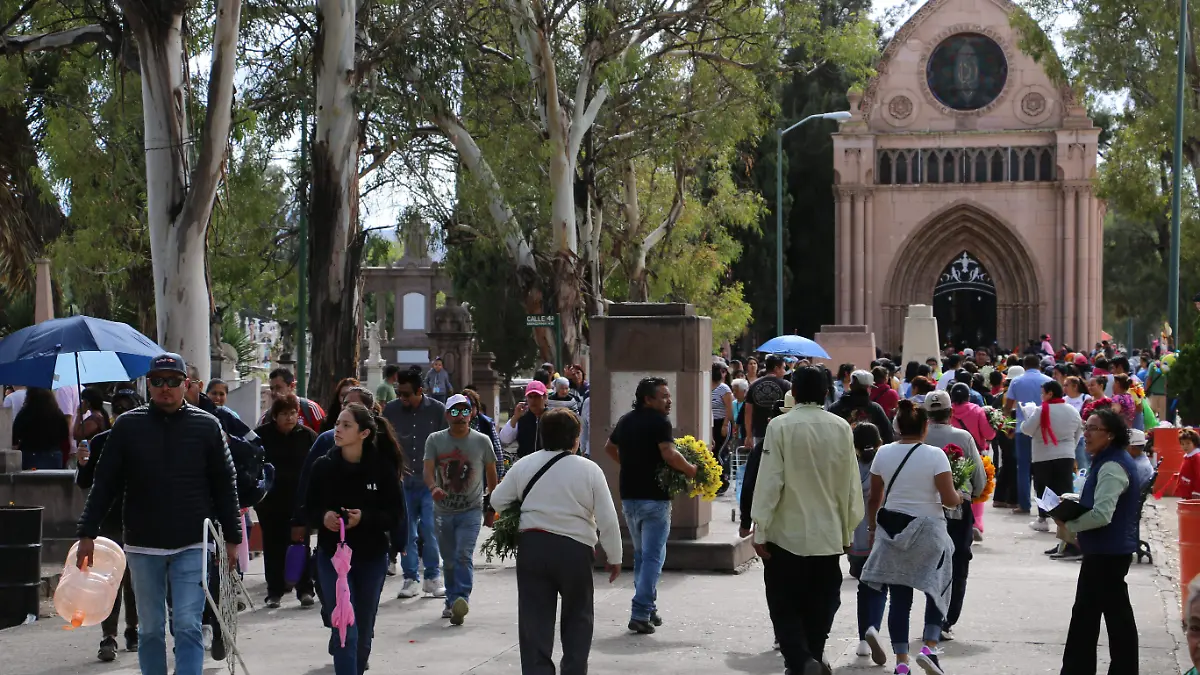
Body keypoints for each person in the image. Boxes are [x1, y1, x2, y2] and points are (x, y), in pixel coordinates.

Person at [74, 353, 242, 675]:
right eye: (158, 381)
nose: (166, 388)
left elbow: (225, 485)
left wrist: (233, 538)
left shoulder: (207, 426)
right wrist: (87, 534)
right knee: (150, 629)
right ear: (148, 384)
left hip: (193, 542)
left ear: (187, 385)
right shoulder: (127, 427)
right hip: (142, 544)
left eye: (174, 381)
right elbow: (104, 485)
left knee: (188, 625)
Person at [750, 366, 865, 675]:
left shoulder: (780, 427)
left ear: (794, 392)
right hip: (828, 533)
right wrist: (848, 527)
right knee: (822, 601)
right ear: (826, 393)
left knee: (784, 603)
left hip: (785, 534)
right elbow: (850, 483)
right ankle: (810, 656)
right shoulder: (841, 428)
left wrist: (759, 528)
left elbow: (770, 481)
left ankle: (801, 660)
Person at [491, 408, 621, 673]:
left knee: (534, 619)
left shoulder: (524, 464)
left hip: (533, 547)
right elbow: (607, 518)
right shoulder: (589, 469)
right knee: (578, 616)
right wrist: (615, 556)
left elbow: (497, 500)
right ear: (576, 438)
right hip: (575, 550)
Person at [860, 400, 961, 675]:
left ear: (897, 426)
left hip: (892, 530)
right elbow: (949, 499)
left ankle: (902, 663)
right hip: (929, 529)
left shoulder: (883, 454)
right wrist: (961, 495)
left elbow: (875, 498)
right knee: (937, 588)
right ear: (925, 427)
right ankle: (929, 647)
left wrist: (872, 528)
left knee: (899, 600)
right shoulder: (936, 455)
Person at [305, 403, 402, 675]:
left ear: (364, 433)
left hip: (371, 556)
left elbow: (395, 515)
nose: (338, 429)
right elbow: (307, 509)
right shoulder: (323, 467)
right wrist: (324, 517)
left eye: (346, 425)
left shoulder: (382, 469)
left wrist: (365, 518)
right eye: (337, 423)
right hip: (331, 557)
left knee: (364, 625)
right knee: (345, 625)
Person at [604, 377, 697, 634]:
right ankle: (641, 611)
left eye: (669, 396)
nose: (669, 401)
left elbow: (609, 448)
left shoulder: (626, 420)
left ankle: (648, 607)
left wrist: (630, 464)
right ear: (648, 399)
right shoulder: (659, 422)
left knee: (644, 555)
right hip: (654, 499)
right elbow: (669, 453)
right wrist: (690, 469)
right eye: (664, 396)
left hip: (629, 497)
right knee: (653, 557)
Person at [1059, 408, 1144, 675]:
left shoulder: (1112, 465)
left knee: (1095, 616)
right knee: (1103, 614)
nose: (1086, 434)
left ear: (1110, 435)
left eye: (1093, 428)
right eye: (1086, 427)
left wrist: (1069, 524)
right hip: (1107, 550)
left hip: (1108, 552)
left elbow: (1102, 514)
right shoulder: (1107, 461)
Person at [75, 387, 143, 661]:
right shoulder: (101, 441)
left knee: (135, 580)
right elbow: (85, 482)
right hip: (110, 520)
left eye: (128, 408)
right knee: (109, 580)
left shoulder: (146, 440)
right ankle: (109, 635)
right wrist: (82, 462)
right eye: (118, 409)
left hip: (140, 518)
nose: (122, 414)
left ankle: (133, 628)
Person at [424, 394, 498, 625]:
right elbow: (427, 470)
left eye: (465, 411)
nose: (460, 417)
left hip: (471, 509)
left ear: (472, 413)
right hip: (443, 510)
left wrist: (491, 505)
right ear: (447, 415)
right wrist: (433, 487)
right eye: (454, 412)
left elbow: (492, 474)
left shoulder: (482, 441)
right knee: (448, 559)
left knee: (463, 555)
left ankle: (461, 598)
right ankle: (451, 601)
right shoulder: (435, 440)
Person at [920, 390, 985, 641]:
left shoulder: (920, 439)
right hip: (958, 508)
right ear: (950, 412)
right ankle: (946, 619)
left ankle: (931, 617)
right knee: (957, 561)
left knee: (931, 562)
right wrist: (975, 493)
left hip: (925, 507)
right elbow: (978, 478)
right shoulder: (963, 437)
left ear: (927, 414)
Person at [382, 368, 447, 596]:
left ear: (421, 391)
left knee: (430, 529)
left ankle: (432, 576)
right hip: (402, 481)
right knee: (407, 531)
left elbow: (445, 443)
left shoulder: (437, 410)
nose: (403, 398)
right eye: (399, 393)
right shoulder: (390, 411)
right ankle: (410, 578)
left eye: (407, 394)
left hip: (430, 481)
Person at [255, 393, 318, 609]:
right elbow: (251, 464)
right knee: (273, 547)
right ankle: (275, 592)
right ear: (275, 416)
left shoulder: (308, 436)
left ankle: (305, 590)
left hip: (299, 502)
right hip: (270, 503)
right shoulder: (261, 436)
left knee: (301, 545)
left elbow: (316, 467)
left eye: (293, 413)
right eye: (284, 414)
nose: (289, 418)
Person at [848, 423, 888, 666]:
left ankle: (864, 639)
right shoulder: (883, 468)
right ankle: (872, 628)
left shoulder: (850, 468)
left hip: (856, 539)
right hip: (880, 535)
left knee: (863, 585)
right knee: (880, 586)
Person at [1021, 380, 1083, 534]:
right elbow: (1078, 432)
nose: (1041, 396)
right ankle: (1067, 520)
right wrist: (1070, 448)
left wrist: (1025, 420)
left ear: (1050, 393)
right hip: (1066, 454)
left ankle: (1043, 519)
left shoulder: (1041, 410)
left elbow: (1027, 429)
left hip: (1043, 455)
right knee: (1065, 488)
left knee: (1043, 488)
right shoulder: (1072, 410)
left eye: (1043, 393)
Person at [1005, 354, 1053, 515]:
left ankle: (1024, 504)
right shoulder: (1048, 380)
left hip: (1022, 429)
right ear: (1039, 365)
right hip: (1043, 429)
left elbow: (1007, 407)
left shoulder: (1016, 381)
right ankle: (1046, 507)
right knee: (1044, 467)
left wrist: (1007, 426)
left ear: (1024, 366)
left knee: (1023, 468)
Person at [829, 370, 895, 444]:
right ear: (868, 388)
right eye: (870, 387)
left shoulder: (835, 407)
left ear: (850, 386)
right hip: (870, 453)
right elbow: (888, 435)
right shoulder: (875, 408)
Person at [12, 386, 69, 469]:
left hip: (30, 453)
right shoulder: (57, 413)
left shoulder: (26, 412)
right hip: (53, 454)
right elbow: (64, 434)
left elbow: (15, 434)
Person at [501, 381, 550, 458]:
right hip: (525, 464)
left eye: (537, 396)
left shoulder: (552, 417)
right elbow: (505, 439)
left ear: (545, 397)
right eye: (530, 397)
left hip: (547, 463)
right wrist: (515, 417)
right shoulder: (521, 417)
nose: (533, 400)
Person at [1175, 429, 1200, 499]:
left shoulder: (1196, 457)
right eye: (1182, 444)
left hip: (1193, 493)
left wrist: (1197, 492)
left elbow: (1199, 475)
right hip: (1187, 491)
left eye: (1188, 443)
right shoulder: (1188, 456)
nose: (1185, 446)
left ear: (1195, 443)